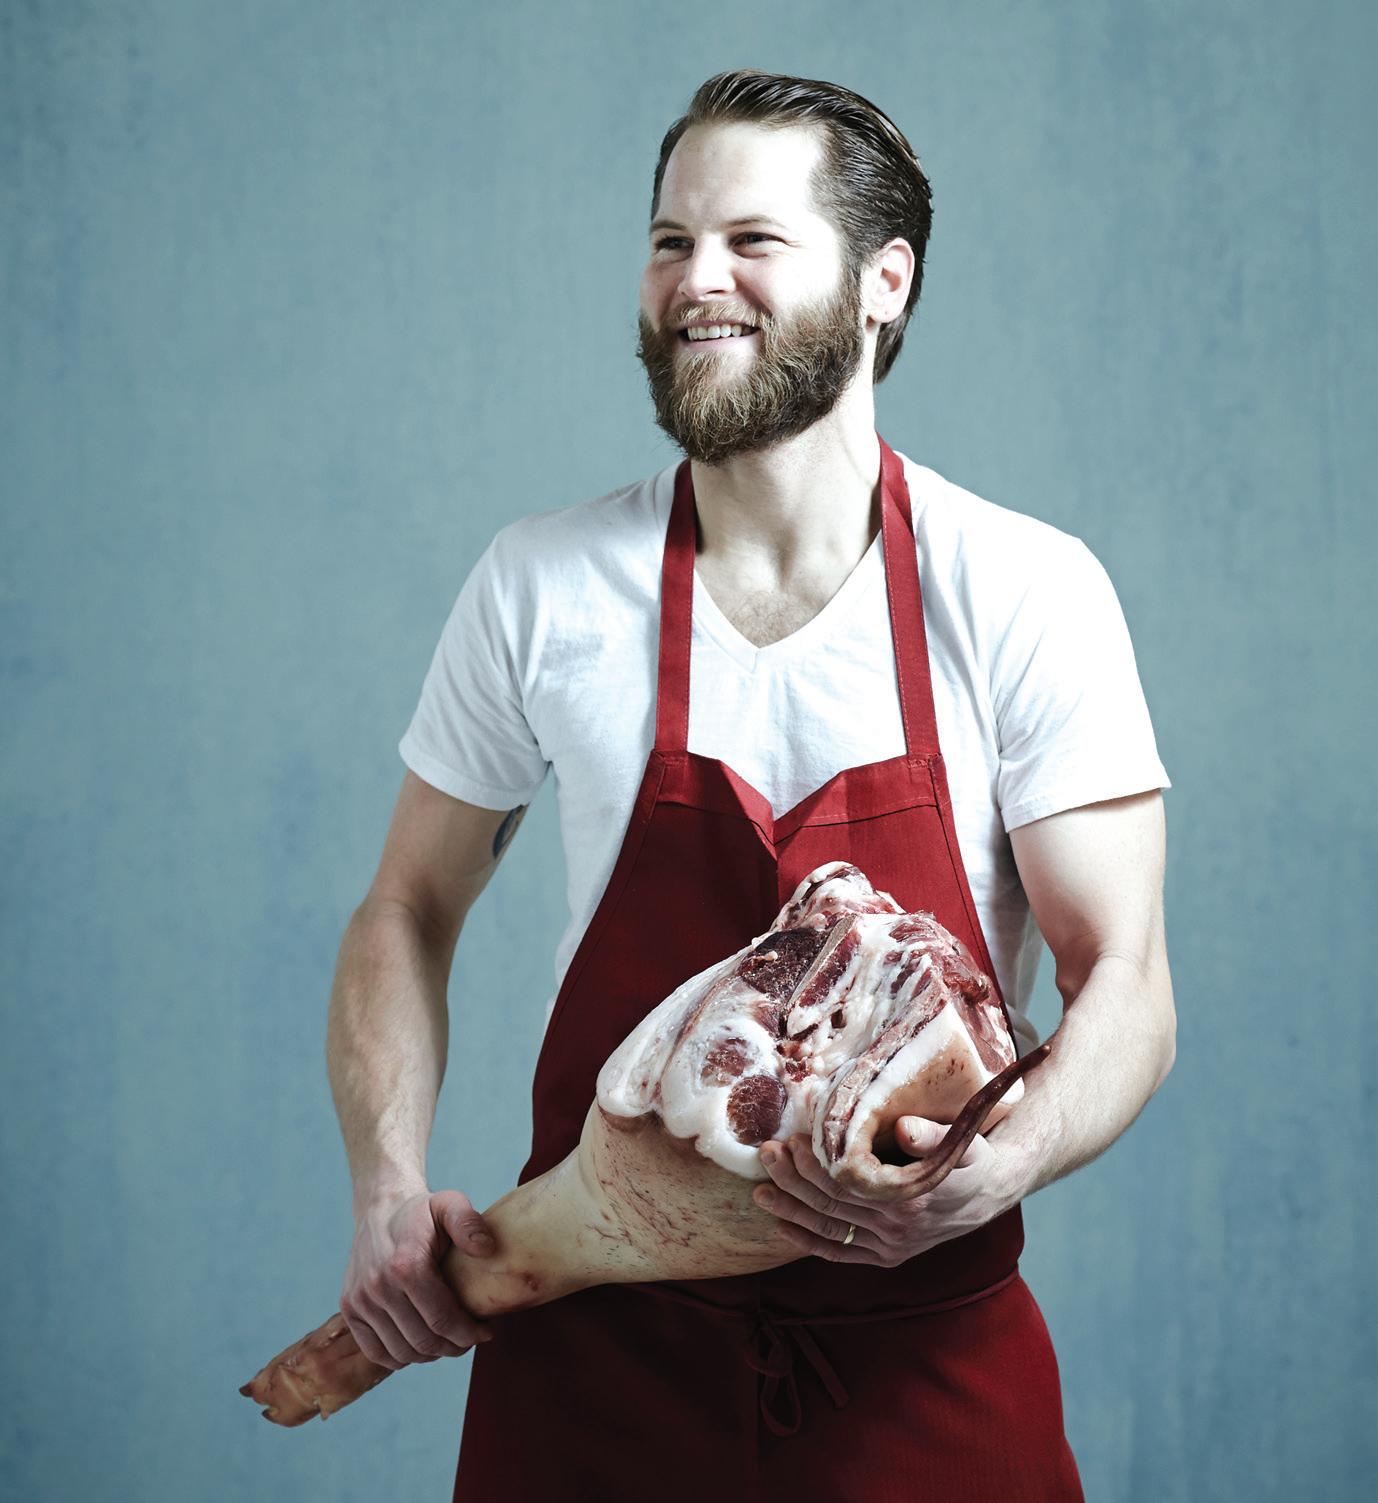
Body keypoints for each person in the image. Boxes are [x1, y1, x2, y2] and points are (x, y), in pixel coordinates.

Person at [326, 68, 1175, 1502]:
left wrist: (1003, 1164)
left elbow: (1127, 985)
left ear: (884, 282)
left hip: (919, 1361)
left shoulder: (1023, 590)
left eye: (750, 240)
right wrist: (387, 1188)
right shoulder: (544, 584)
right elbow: (405, 907)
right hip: (594, 1365)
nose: (695, 280)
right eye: (671, 240)